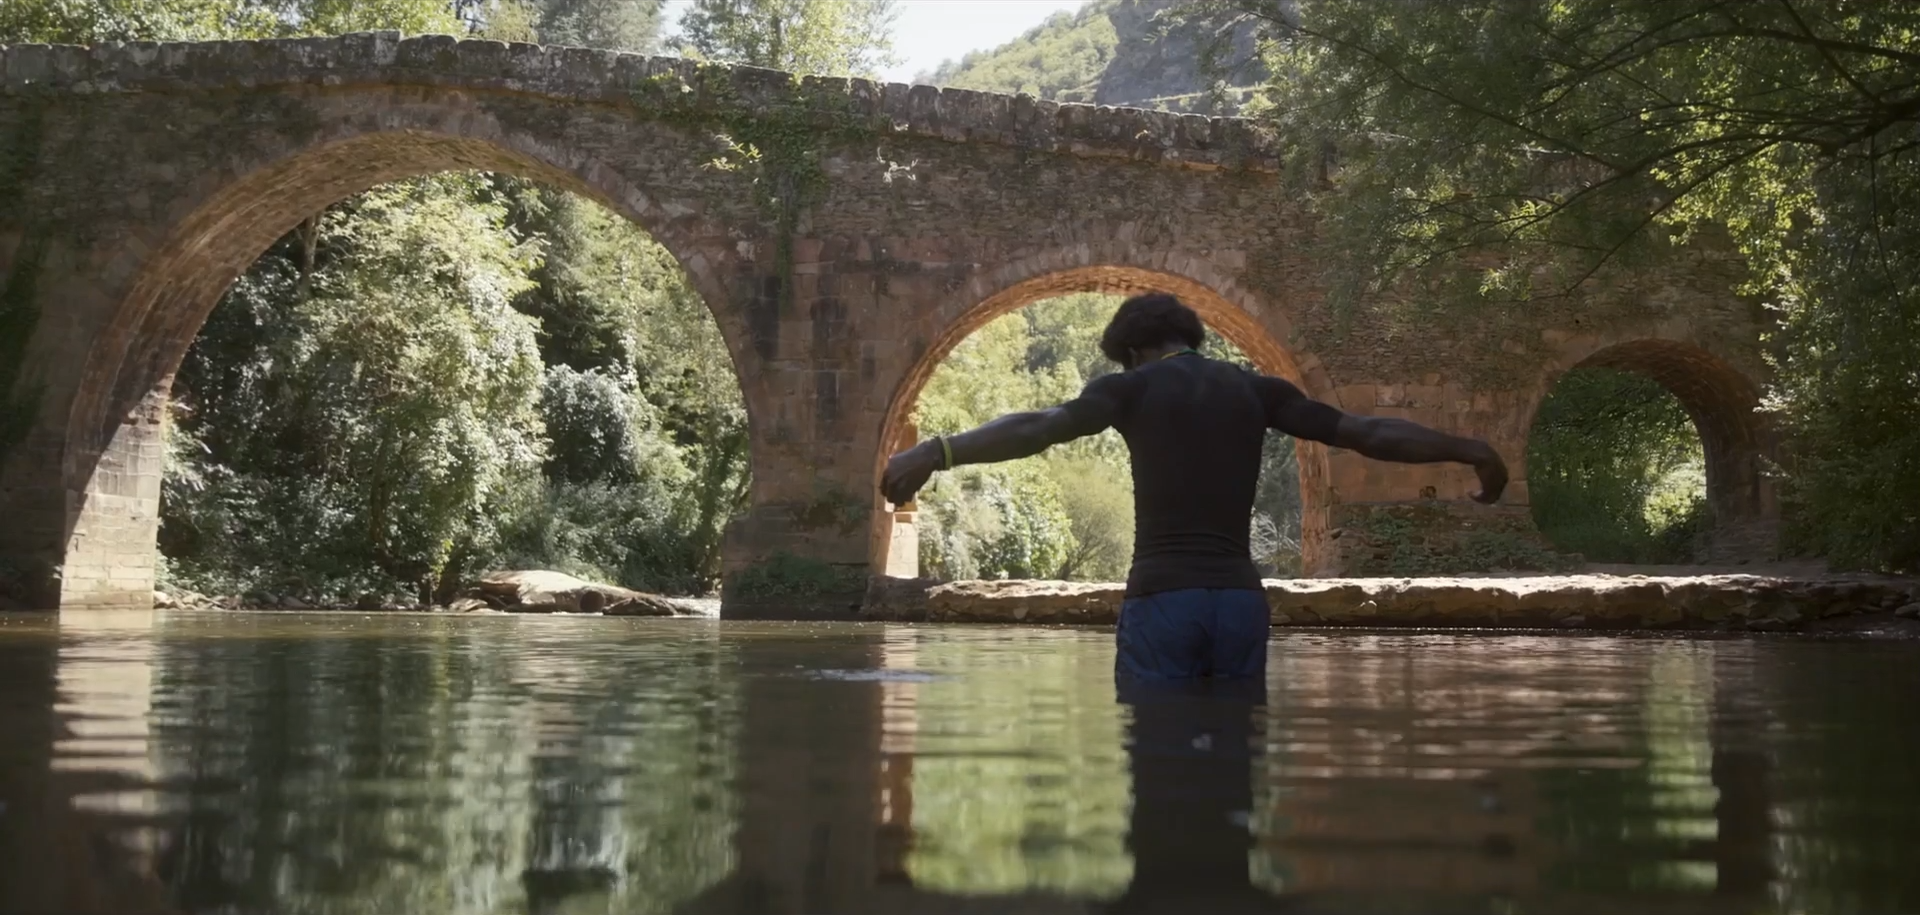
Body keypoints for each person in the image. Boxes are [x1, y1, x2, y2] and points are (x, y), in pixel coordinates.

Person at [880, 292, 1508, 685]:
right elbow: (1367, 433)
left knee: (1162, 767)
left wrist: (939, 450)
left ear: (1132, 351)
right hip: (1239, 603)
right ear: (1189, 339)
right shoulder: (1259, 391)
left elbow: (1038, 428)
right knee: (1230, 766)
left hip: (1164, 600)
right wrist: (1469, 450)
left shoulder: (1129, 388)